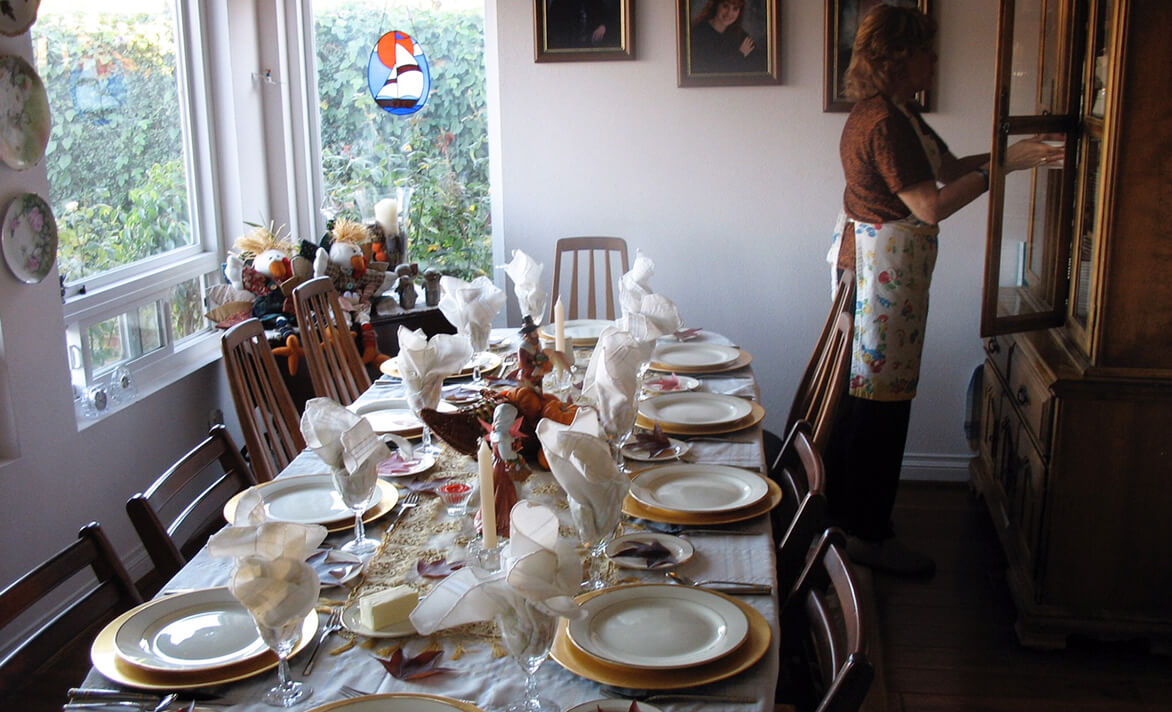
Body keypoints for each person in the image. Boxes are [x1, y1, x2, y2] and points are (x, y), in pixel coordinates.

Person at [823, 5, 1060, 576]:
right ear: (900, 57)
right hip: (882, 277)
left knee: (869, 404)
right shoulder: (883, 121)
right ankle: (867, 536)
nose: (935, 60)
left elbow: (947, 168)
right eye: (928, 50)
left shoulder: (896, 113)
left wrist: (1011, 159)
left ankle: (844, 525)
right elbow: (930, 204)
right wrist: (1005, 168)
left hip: (883, 273)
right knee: (878, 410)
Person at [690, 0, 765, 74]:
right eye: (725, 6)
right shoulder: (698, 33)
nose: (729, 13)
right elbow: (709, 70)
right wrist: (739, 55)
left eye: (735, 9)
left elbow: (757, 68)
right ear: (716, 5)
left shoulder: (741, 36)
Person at [545, 0, 617, 50]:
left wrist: (603, 26)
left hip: (592, 47)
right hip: (568, 48)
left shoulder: (595, 2)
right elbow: (553, 31)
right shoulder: (559, 4)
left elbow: (609, 18)